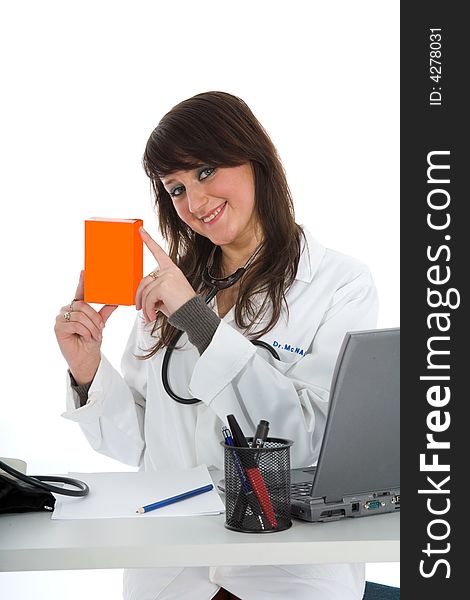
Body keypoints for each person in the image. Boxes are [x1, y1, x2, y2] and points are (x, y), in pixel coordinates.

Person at [54, 91, 378, 600]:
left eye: (206, 171)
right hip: (170, 565)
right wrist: (88, 372)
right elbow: (139, 445)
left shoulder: (340, 284)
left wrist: (199, 322)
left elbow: (314, 439)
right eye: (176, 188)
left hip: (286, 566)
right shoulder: (171, 287)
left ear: (254, 159)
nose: (195, 203)